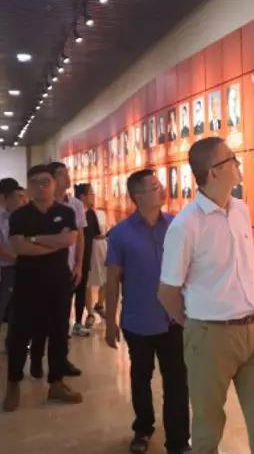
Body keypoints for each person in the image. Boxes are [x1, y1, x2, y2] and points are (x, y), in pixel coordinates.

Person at [158, 137, 254, 454]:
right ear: (213, 172)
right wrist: (196, 325)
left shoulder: (241, 210)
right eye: (231, 158)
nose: (238, 163)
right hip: (210, 335)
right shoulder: (186, 225)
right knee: (208, 426)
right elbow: (167, 292)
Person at [105, 170, 190, 454]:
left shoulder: (176, 225)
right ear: (137, 196)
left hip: (174, 320)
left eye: (160, 184)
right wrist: (109, 322)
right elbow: (112, 281)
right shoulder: (121, 234)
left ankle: (178, 441)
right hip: (138, 321)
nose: (162, 189)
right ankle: (143, 428)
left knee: (177, 382)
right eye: (154, 187)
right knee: (140, 378)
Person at [3, 165, 83, 411]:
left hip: (58, 282)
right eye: (35, 182)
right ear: (28, 186)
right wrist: (54, 243)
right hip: (27, 282)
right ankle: (13, 384)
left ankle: (56, 383)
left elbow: (70, 239)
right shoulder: (19, 215)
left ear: (53, 184)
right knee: (19, 335)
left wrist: (35, 239)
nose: (41, 186)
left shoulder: (66, 212)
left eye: (46, 181)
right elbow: (19, 247)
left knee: (59, 333)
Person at [73, 184, 104, 330]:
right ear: (82, 197)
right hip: (73, 258)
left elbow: (96, 234)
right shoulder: (73, 213)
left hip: (86, 257)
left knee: (82, 289)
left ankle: (79, 321)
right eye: (91, 194)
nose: (94, 196)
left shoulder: (91, 214)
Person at [0, 182, 27, 344]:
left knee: (16, 308)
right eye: (20, 197)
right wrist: (18, 260)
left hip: (16, 267)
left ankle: (12, 343)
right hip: (5, 268)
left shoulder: (16, 217)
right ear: (6, 197)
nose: (23, 201)